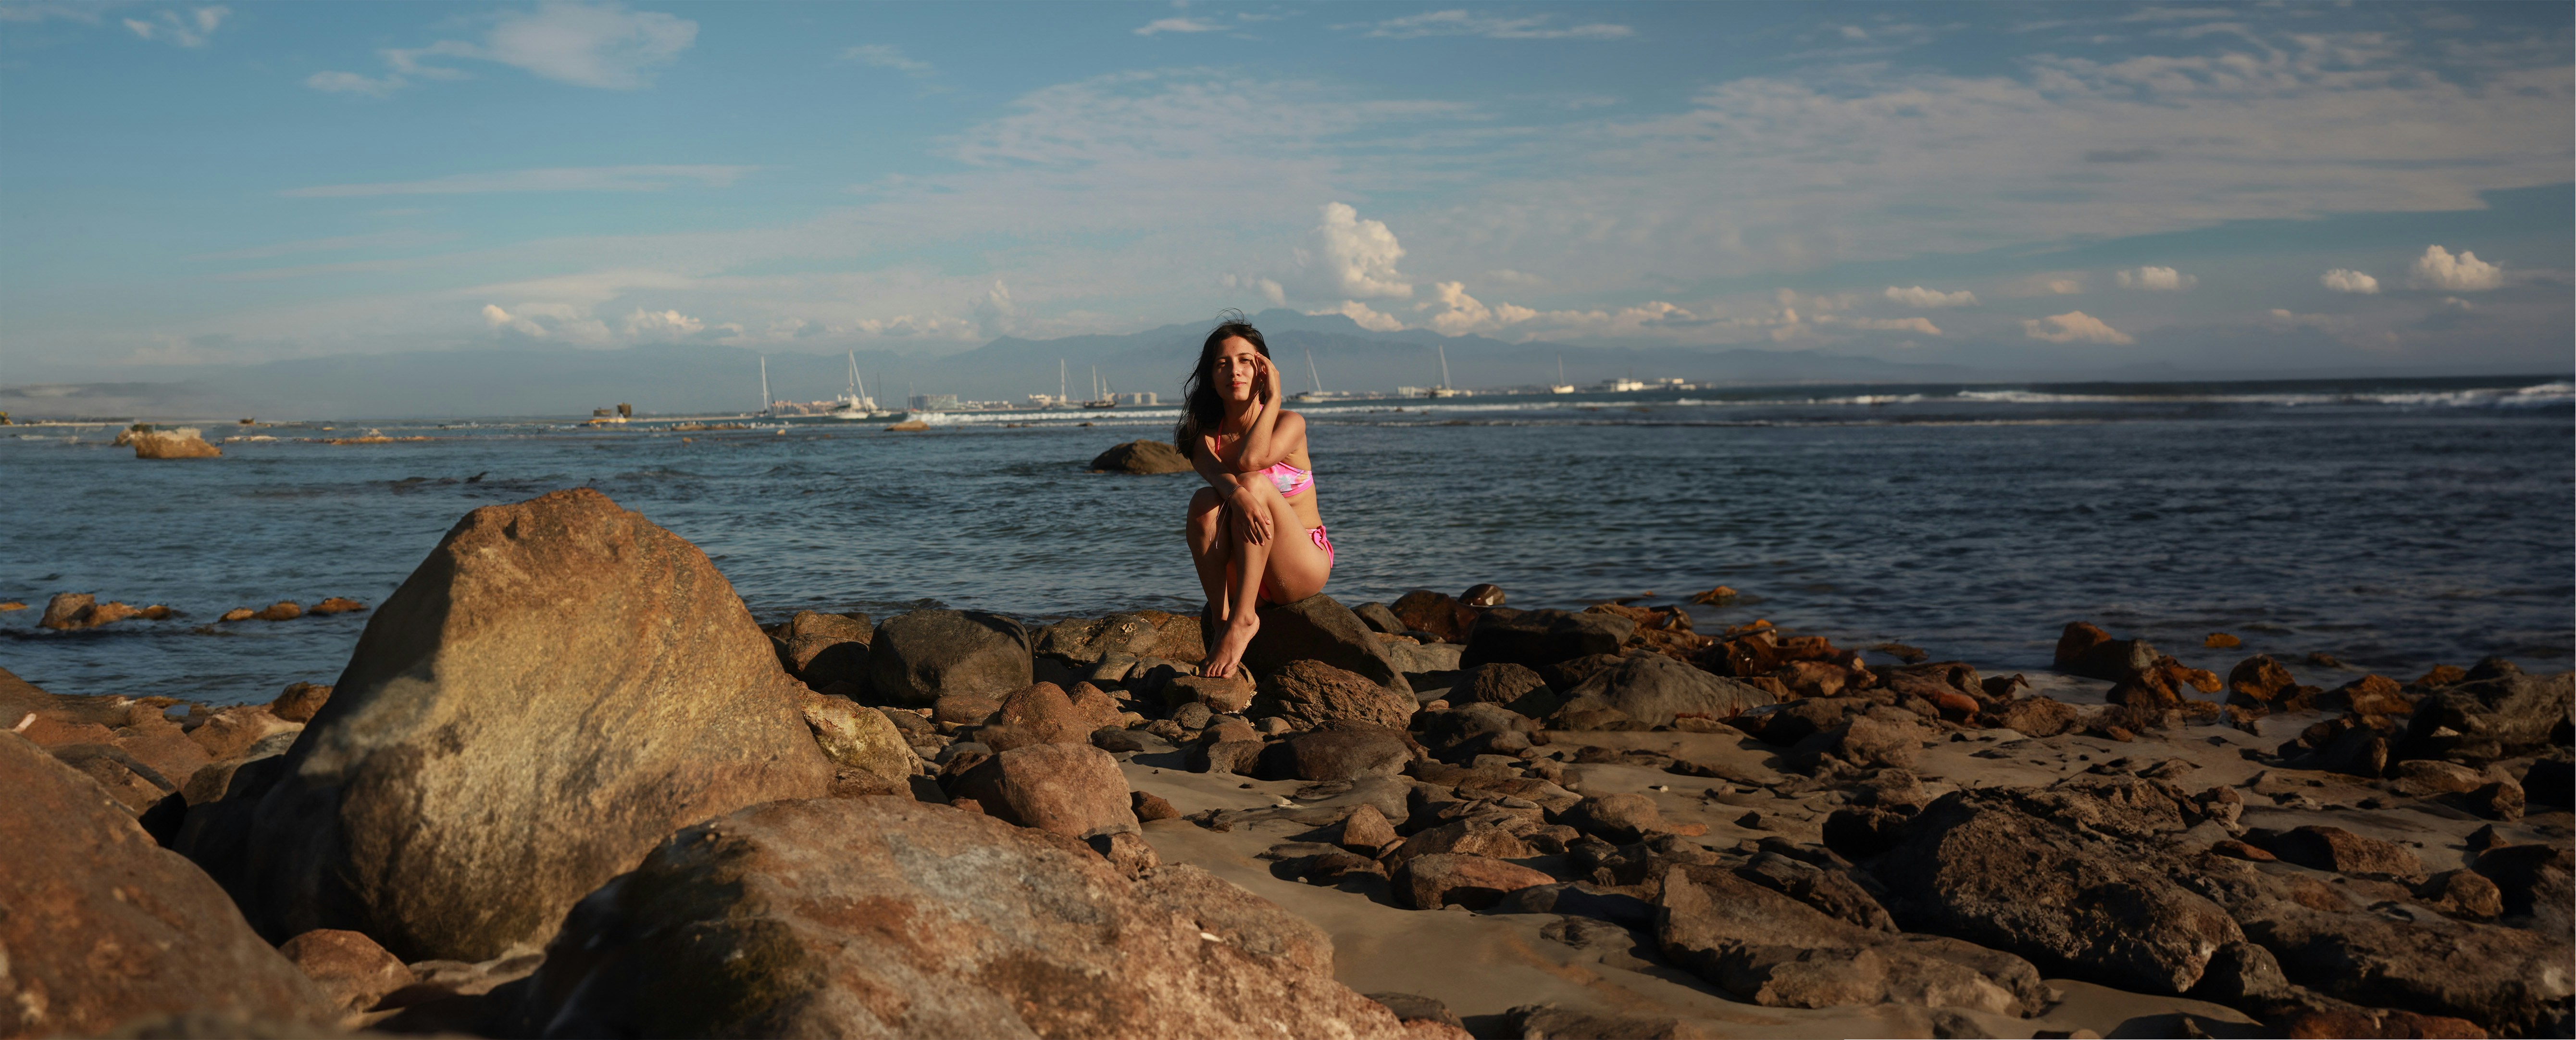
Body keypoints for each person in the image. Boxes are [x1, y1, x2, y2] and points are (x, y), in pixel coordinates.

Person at [1178, 314, 1330, 679]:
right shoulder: (1204, 438)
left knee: (1252, 482)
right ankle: (1223, 619)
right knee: (1203, 501)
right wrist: (1239, 496)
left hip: (1300, 564)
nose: (1235, 371)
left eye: (1246, 361)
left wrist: (1275, 396)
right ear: (1211, 377)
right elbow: (1216, 476)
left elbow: (1251, 460)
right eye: (1222, 364)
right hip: (1245, 566)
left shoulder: (1290, 423)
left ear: (1264, 369)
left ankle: (1245, 619)